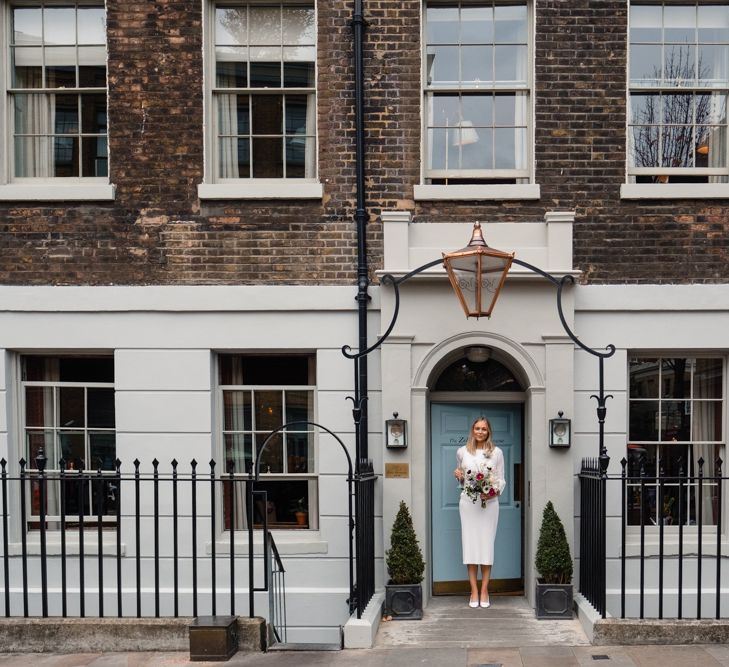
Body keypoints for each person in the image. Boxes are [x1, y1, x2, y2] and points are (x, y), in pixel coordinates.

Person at [453, 417, 506, 609]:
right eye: (477, 428)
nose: (480, 432)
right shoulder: (462, 451)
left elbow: (501, 480)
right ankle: (473, 590)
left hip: (489, 505)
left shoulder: (497, 452)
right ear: (472, 430)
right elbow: (463, 479)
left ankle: (485, 590)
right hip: (468, 504)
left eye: (484, 429)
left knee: (485, 547)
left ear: (489, 431)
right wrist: (458, 476)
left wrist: (491, 493)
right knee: (470, 547)